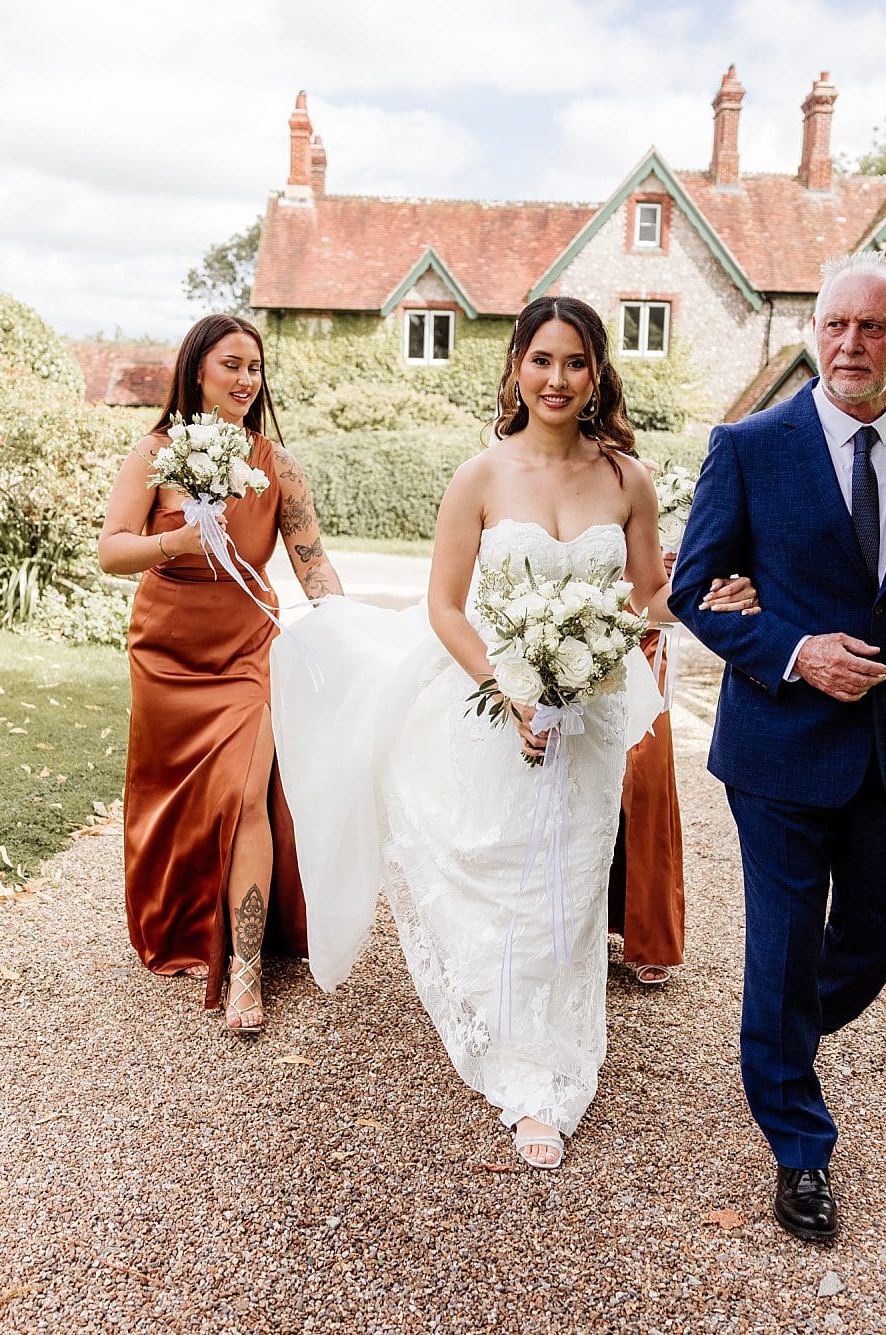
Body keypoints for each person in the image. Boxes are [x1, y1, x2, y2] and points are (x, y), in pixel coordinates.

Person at [271, 297, 757, 1169]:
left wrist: (698, 599)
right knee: (495, 869)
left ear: (599, 371)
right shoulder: (480, 478)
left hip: (595, 713)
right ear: (516, 369)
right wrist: (507, 692)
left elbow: (646, 596)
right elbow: (445, 606)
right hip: (500, 704)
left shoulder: (627, 480)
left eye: (576, 362)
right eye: (542, 361)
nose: (559, 379)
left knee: (570, 887)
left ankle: (546, 1074)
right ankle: (503, 1025)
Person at [668, 251, 886, 1242]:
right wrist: (792, 650)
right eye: (835, 326)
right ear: (813, 332)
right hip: (777, 749)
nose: (850, 344)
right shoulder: (748, 446)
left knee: (881, 928)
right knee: (779, 943)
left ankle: (774, 1033)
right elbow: (693, 590)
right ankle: (798, 1146)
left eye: (873, 327)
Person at [98, 313, 344, 1034]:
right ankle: (178, 921)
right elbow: (112, 550)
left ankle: (244, 973)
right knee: (174, 800)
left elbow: (311, 559)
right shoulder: (155, 451)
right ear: (197, 370)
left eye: (255, 368)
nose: (245, 379)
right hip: (167, 653)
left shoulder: (277, 465)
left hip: (246, 651)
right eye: (231, 364)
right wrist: (177, 536)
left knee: (243, 796)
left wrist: (340, 623)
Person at [607, 554, 685, 987]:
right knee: (577, 780)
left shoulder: (669, 488)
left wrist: (684, 567)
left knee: (644, 780)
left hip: (645, 635)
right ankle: (583, 920)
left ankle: (650, 935)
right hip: (576, 619)